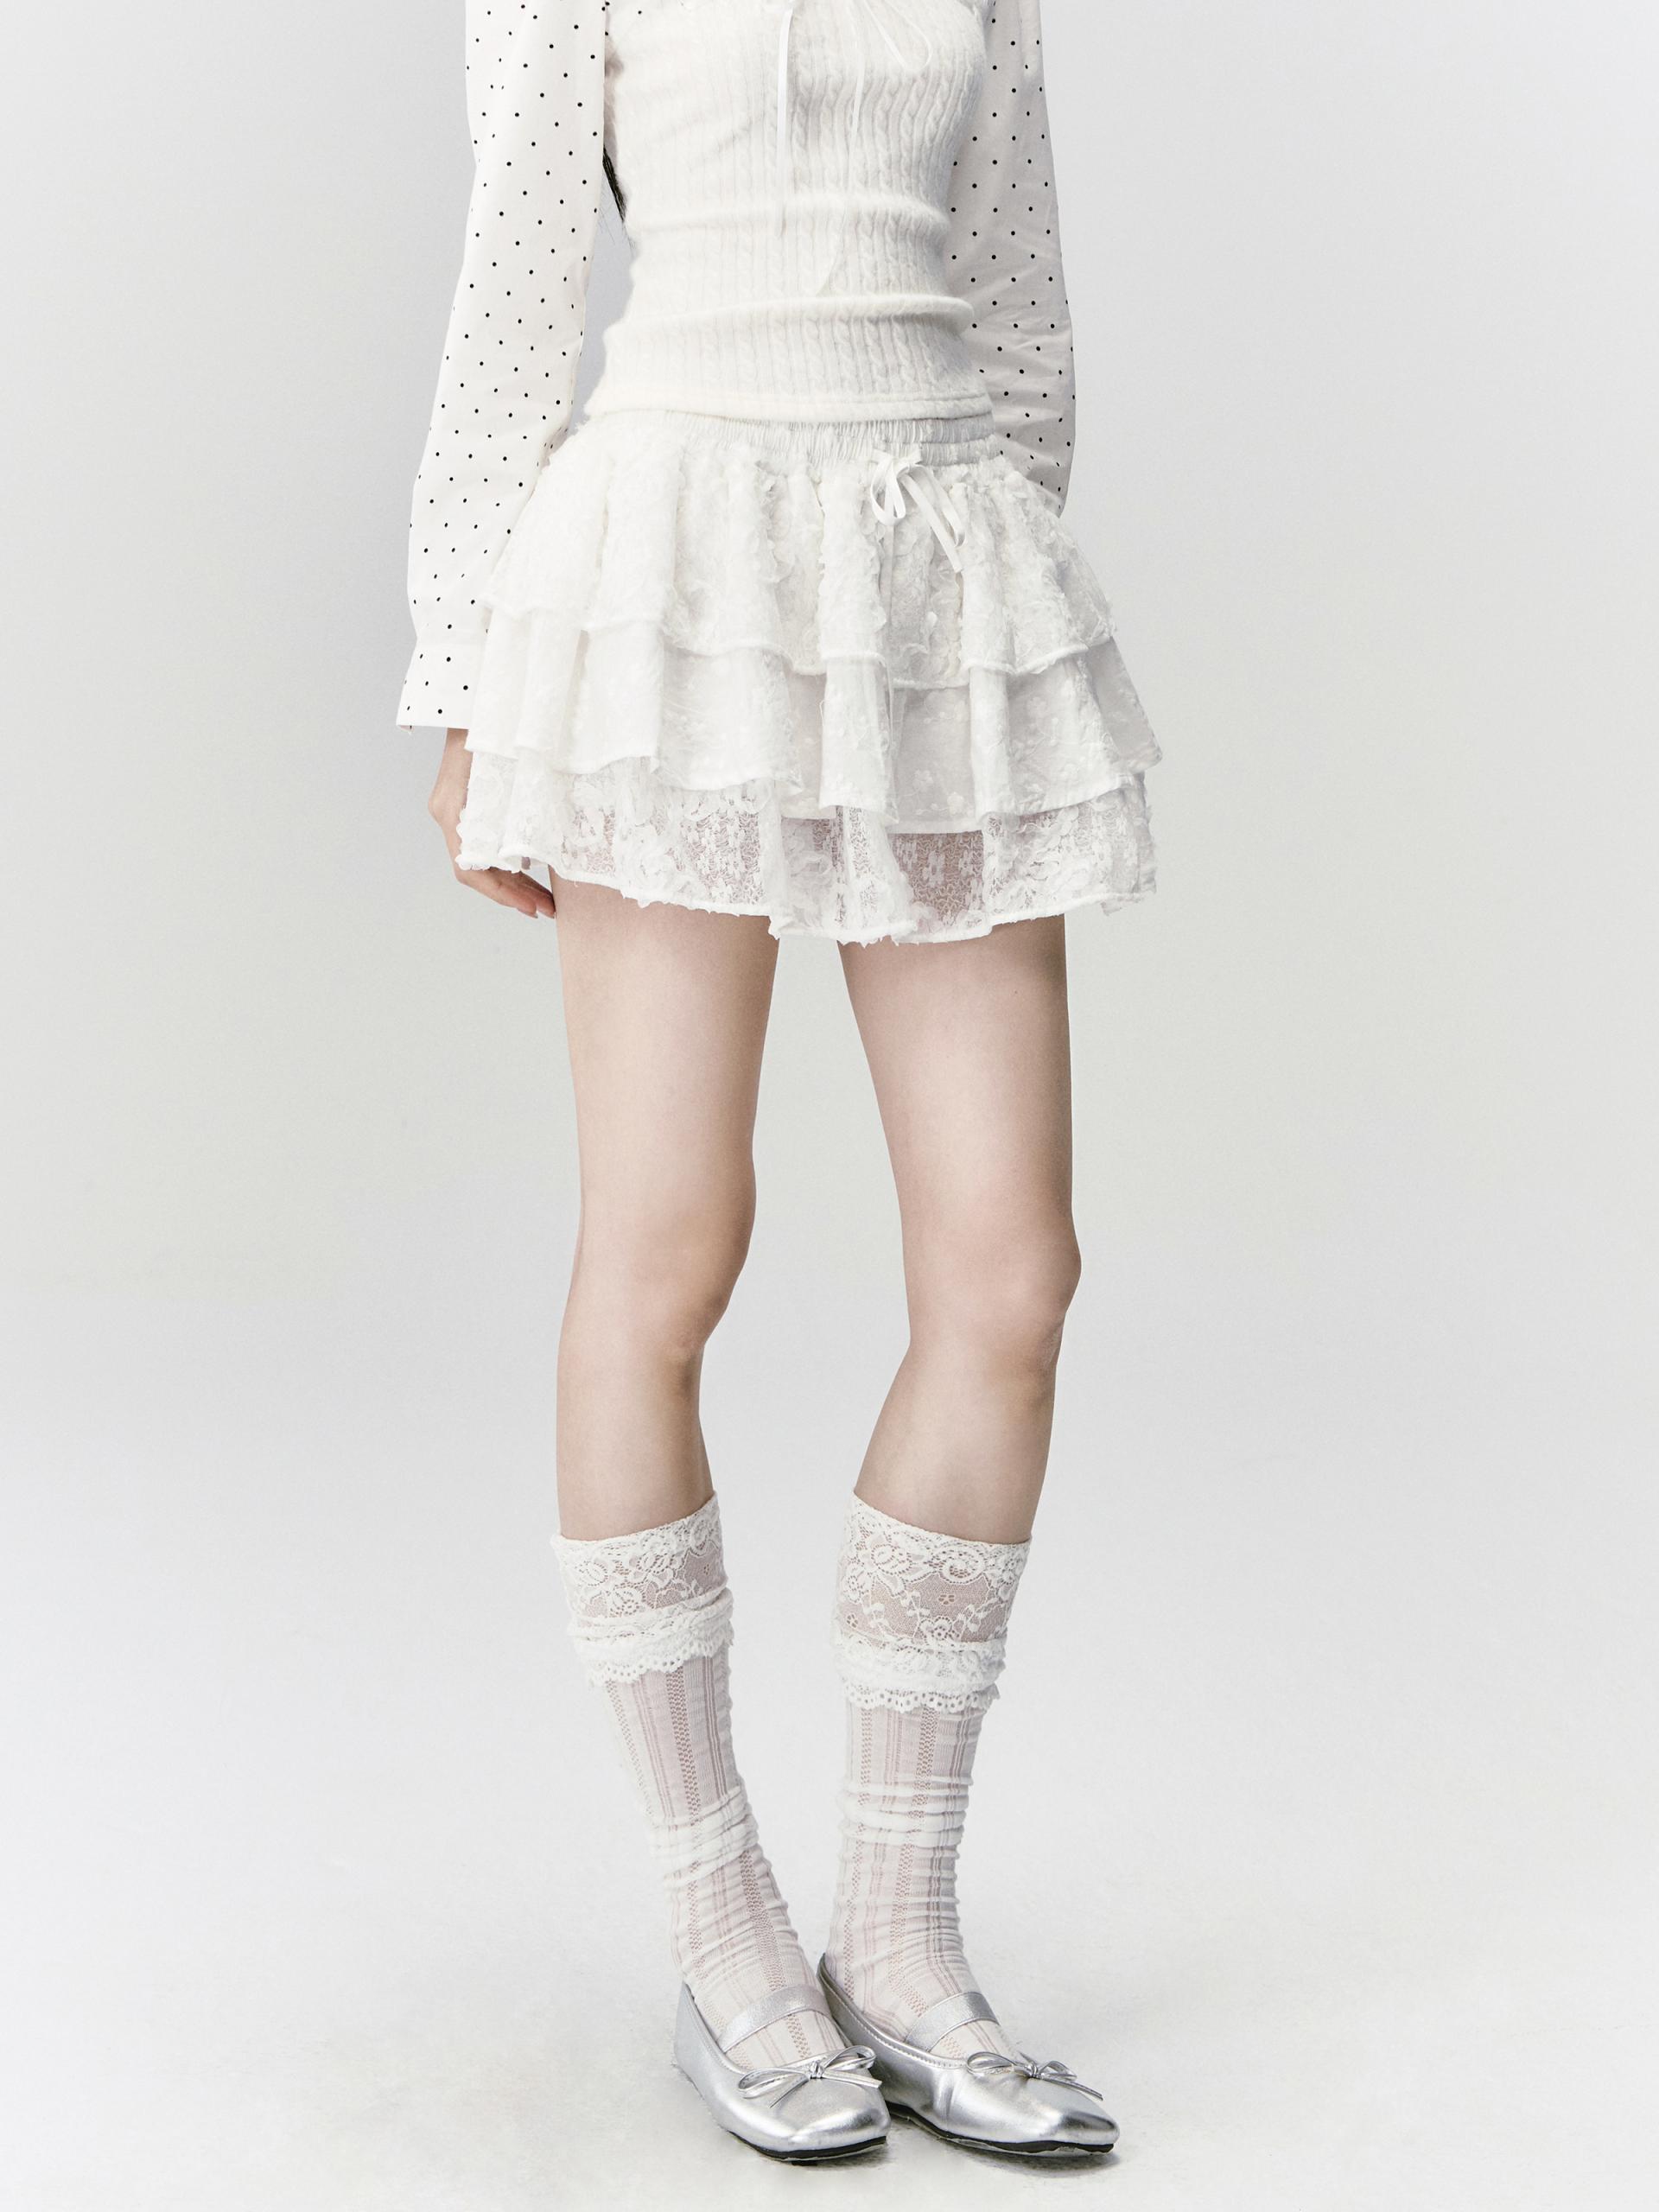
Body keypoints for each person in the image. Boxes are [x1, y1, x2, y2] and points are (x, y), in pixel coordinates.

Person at [403, 0, 1158, 2164]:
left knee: (1009, 1275)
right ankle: (724, 1922)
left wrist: (983, 629)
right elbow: (513, 284)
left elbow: (1016, 300)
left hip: (928, 567)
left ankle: (899, 1938)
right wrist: (466, 672)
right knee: (667, 1253)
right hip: (673, 579)